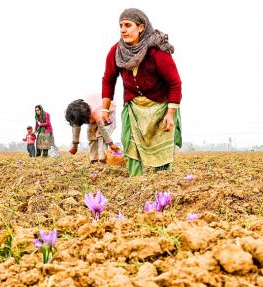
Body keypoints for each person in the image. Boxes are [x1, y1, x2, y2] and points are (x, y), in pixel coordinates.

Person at [101, 8, 182, 176]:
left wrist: (171, 113)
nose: (123, 29)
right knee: (129, 141)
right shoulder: (116, 51)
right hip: (133, 107)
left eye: (128, 25)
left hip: (160, 105)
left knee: (162, 144)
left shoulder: (157, 51)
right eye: (121, 25)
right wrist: (105, 109)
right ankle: (136, 180)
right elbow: (108, 79)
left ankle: (163, 180)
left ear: (141, 27)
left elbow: (175, 83)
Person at [65, 98, 120, 163]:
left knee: (100, 135)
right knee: (91, 134)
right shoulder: (77, 114)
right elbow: (76, 128)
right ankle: (94, 159)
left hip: (107, 109)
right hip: (93, 109)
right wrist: (75, 146)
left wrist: (111, 144)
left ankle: (102, 157)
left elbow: (103, 130)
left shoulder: (97, 114)